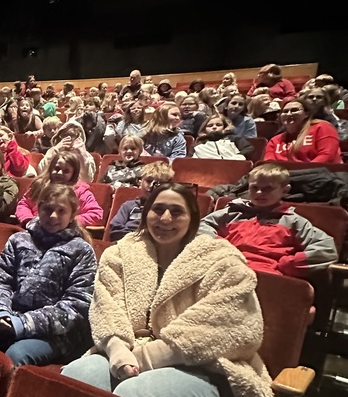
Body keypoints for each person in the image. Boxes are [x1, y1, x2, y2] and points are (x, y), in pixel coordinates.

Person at [61, 183, 275, 397]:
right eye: (158, 209)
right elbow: (107, 308)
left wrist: (146, 358)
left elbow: (230, 327)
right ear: (146, 213)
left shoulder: (223, 261)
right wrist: (117, 348)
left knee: (133, 396)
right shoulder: (120, 254)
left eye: (176, 212)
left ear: (193, 218)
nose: (165, 219)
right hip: (130, 353)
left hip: (211, 370)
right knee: (75, 377)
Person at [0, 183, 97, 366]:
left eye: (61, 211)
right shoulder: (19, 240)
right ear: (38, 209)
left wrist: (23, 323)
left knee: (17, 354)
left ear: (72, 215)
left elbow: (77, 305)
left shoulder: (82, 250)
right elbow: (0, 280)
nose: (53, 216)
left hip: (56, 332)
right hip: (9, 316)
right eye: (48, 209)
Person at [199, 162, 337, 278]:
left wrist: (290, 264)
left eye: (267, 189)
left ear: (284, 190)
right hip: (226, 268)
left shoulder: (292, 221)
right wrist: (217, 245)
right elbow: (201, 226)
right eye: (254, 188)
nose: (259, 193)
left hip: (267, 276)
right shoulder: (232, 213)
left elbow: (326, 248)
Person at [16, 150, 103, 227]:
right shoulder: (39, 185)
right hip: (35, 229)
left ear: (74, 173)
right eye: (57, 169)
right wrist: (28, 219)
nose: (60, 173)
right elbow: (24, 204)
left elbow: (96, 214)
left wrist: (68, 221)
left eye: (66, 171)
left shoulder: (80, 191)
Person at [107, 162, 175, 241]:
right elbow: (115, 229)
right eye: (149, 181)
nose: (151, 186)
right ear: (140, 182)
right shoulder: (129, 206)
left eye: (159, 183)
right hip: (125, 242)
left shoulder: (168, 210)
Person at [264, 98, 341, 164]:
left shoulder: (322, 127)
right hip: (284, 177)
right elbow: (269, 163)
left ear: (306, 114)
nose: (289, 114)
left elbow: (327, 156)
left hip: (319, 175)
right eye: (285, 111)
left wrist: (306, 170)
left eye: (294, 110)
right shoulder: (275, 141)